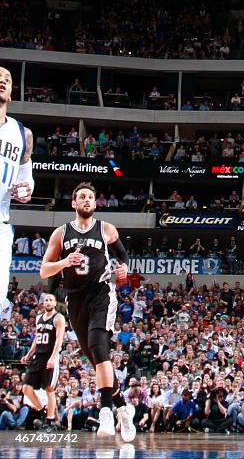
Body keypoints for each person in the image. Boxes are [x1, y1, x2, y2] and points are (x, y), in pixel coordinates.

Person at [39, 181, 136, 443]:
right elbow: (44, 270)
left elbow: (122, 256)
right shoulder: (61, 233)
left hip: (101, 294)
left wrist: (123, 269)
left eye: (90, 197)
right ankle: (123, 408)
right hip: (75, 300)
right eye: (81, 197)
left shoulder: (106, 229)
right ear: (74, 203)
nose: (86, 200)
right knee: (95, 359)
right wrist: (63, 261)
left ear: (95, 204)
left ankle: (105, 409)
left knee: (99, 345)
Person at [0, 66, 34, 321]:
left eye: (7, 80)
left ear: (11, 92)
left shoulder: (23, 134)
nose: (2, 82)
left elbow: (26, 182)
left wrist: (25, 190)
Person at [21, 291, 65, 428]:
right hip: (37, 356)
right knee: (26, 389)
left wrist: (53, 357)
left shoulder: (58, 318)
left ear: (55, 303)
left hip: (49, 356)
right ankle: (42, 411)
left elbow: (59, 339)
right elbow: (36, 339)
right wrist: (28, 355)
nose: (48, 302)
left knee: (49, 389)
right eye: (46, 300)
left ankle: (50, 421)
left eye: (50, 300)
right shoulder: (39, 317)